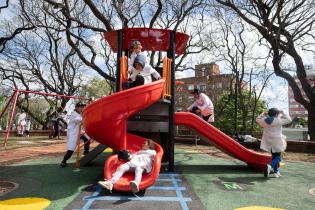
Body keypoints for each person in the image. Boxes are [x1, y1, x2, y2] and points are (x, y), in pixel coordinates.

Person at [256, 108, 292, 178]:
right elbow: (289, 120)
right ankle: (270, 166)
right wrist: (283, 112)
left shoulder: (263, 121)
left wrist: (263, 114)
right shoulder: (278, 120)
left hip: (268, 141)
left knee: (274, 156)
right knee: (278, 157)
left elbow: (257, 119)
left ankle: (276, 172)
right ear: (276, 114)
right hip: (277, 141)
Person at [60, 102, 90, 168]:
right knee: (71, 149)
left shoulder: (79, 114)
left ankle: (86, 152)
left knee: (87, 139)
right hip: (72, 133)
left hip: (78, 132)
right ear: (76, 107)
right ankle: (63, 162)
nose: (82, 108)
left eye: (83, 107)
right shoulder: (74, 114)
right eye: (81, 107)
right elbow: (81, 120)